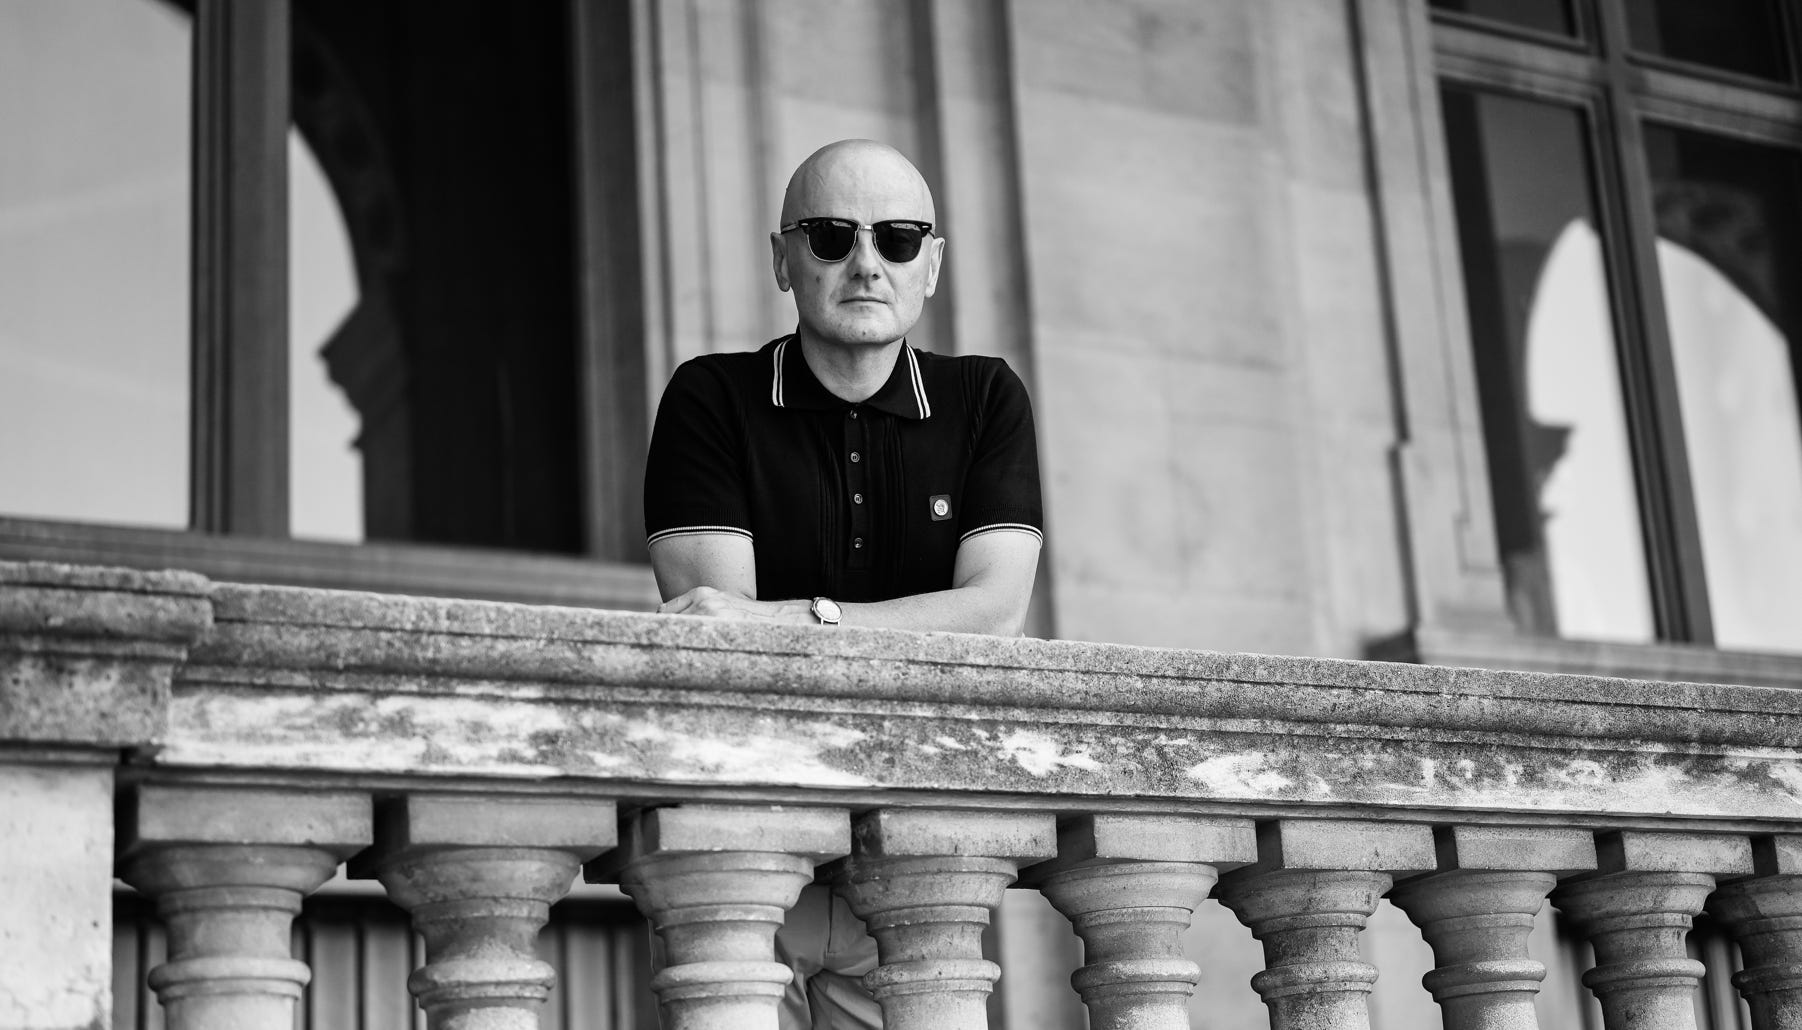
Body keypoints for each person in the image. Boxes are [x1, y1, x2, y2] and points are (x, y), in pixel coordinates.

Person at [641, 138, 1044, 1027]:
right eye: (831, 236)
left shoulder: (984, 400)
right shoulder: (711, 398)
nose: (867, 263)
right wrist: (901, 621)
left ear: (931, 264)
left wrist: (809, 619)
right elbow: (722, 639)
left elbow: (994, 614)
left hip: (920, 862)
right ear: (781, 259)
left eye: (897, 239)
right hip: (744, 852)